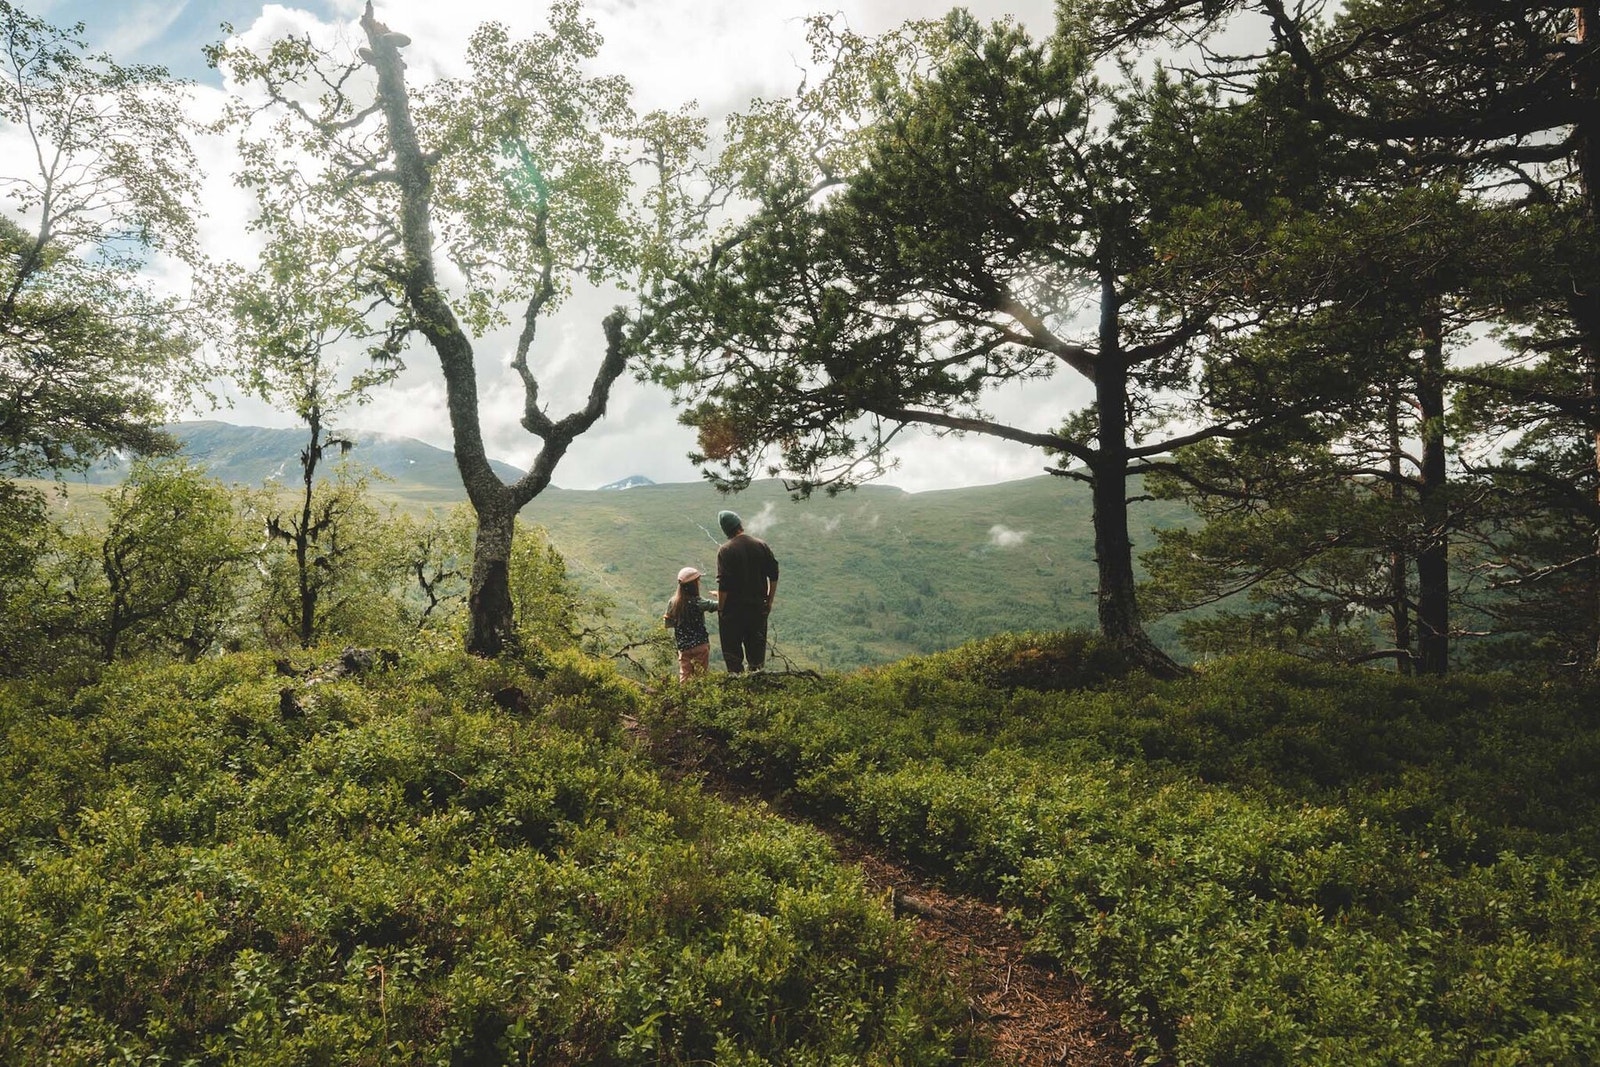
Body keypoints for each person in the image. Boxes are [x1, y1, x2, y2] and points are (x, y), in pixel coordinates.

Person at [715, 509, 779, 672]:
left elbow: (724, 585)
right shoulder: (761, 545)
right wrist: (769, 601)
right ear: (739, 524)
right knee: (756, 658)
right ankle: (756, 683)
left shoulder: (725, 550)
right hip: (757, 609)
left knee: (733, 657)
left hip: (733, 612)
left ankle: (737, 684)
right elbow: (774, 575)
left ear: (725, 530)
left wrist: (721, 609)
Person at [663, 565, 717, 682]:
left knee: (685, 677)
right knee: (700, 677)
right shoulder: (699, 602)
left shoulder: (673, 602)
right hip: (700, 645)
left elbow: (668, 623)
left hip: (683, 647)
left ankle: (684, 694)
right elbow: (718, 605)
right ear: (694, 584)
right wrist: (719, 595)